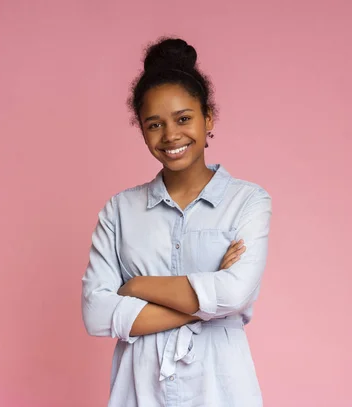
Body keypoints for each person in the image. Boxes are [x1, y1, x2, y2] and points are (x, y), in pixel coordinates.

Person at [81, 37, 272, 407]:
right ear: (141, 129)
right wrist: (207, 303)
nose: (170, 136)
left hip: (221, 391)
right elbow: (95, 313)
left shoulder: (248, 201)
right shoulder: (120, 211)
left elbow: (235, 294)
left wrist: (136, 285)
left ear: (208, 118)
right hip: (139, 392)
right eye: (154, 124)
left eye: (183, 118)